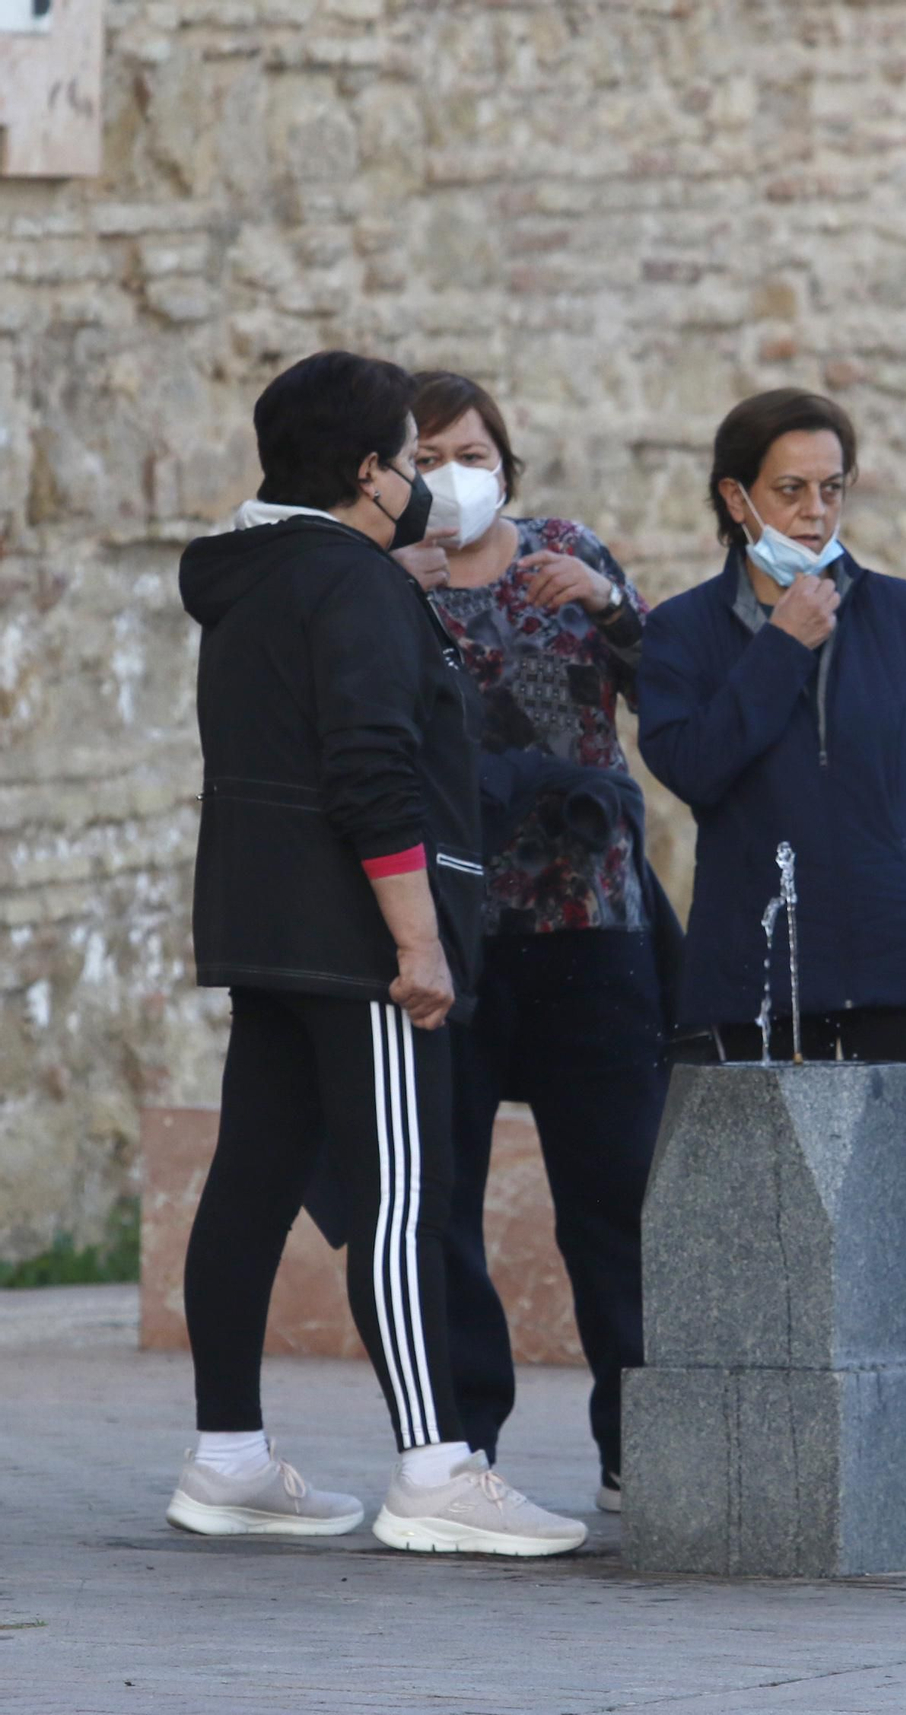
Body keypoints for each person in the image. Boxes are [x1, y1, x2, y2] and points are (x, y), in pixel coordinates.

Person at [170, 350, 586, 1558]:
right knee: (404, 1199)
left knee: (250, 1182)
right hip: (360, 942)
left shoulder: (260, 574)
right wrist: (418, 940)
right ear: (367, 473)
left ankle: (227, 1458)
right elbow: (368, 770)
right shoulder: (350, 584)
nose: (426, 481)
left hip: (267, 928)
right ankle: (435, 1468)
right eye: (411, 459)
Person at [636, 388, 906, 1543]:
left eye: (832, 487)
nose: (816, 511)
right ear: (736, 498)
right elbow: (694, 766)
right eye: (790, 490)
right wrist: (780, 647)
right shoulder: (682, 633)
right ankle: (774, 1468)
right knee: (759, 1209)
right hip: (752, 967)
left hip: (896, 956)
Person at [389, 372, 673, 1514]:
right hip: (450, 936)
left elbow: (671, 696)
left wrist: (610, 604)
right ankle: (462, 1446)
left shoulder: (567, 552)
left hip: (589, 926)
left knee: (614, 1197)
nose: (456, 474)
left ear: (507, 463)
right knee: (444, 1199)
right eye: (429, 457)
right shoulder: (386, 580)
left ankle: (639, 1446)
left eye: (475, 453)